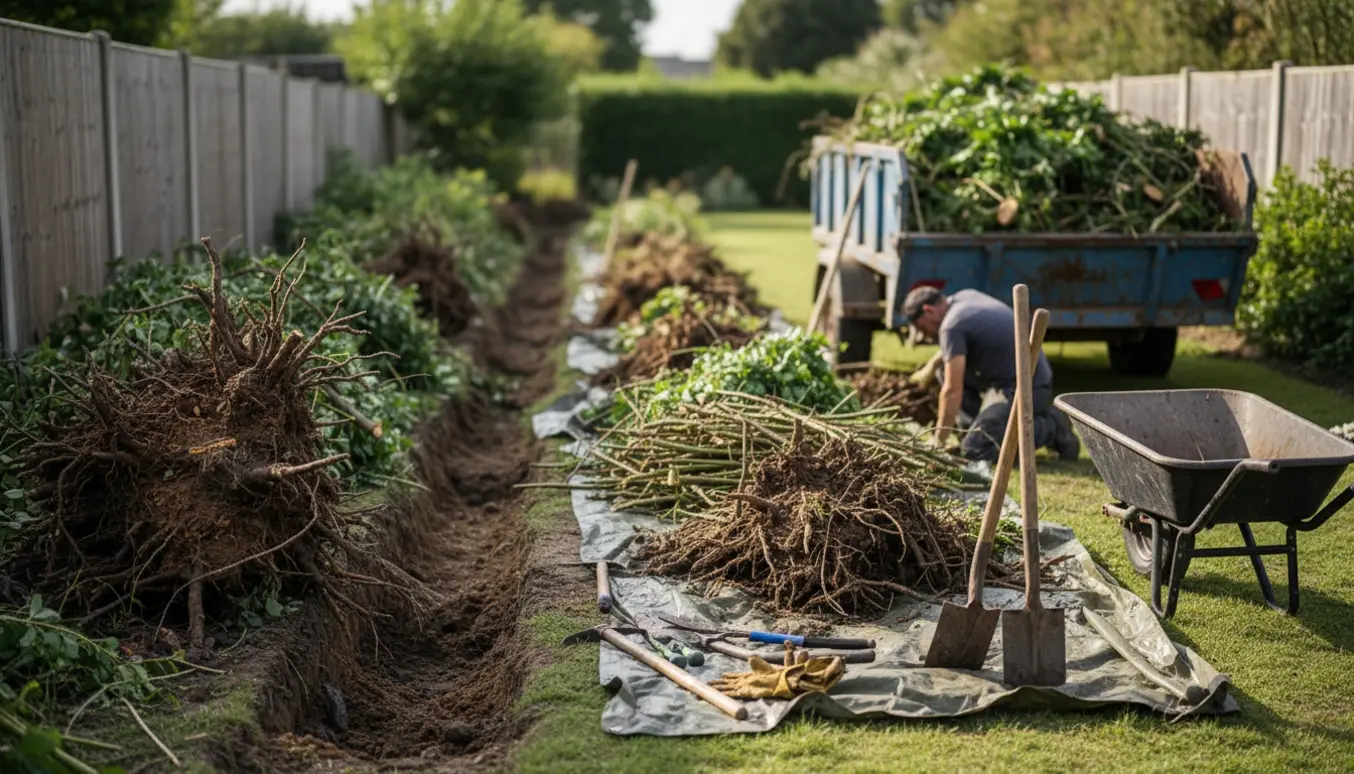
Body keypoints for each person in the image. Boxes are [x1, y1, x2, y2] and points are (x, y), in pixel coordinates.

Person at [902, 285, 1080, 463]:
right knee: (943, 370)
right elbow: (954, 352)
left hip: (1027, 388)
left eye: (922, 328)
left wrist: (939, 439)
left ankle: (1052, 427)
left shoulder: (951, 326)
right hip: (1019, 379)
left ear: (929, 310)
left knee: (975, 451)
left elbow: (952, 391)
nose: (926, 335)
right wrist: (932, 365)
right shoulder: (964, 297)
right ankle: (971, 433)